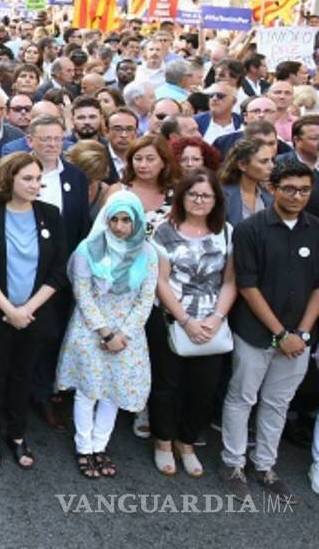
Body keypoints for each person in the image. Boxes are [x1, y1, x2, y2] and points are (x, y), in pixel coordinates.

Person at [220, 159, 319, 503]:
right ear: (272, 188)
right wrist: (280, 333)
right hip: (255, 333)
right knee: (242, 397)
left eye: (305, 189)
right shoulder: (250, 230)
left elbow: (318, 288)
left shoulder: (317, 230)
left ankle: (265, 465)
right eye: (289, 188)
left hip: (299, 339)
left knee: (278, 403)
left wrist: (302, 334)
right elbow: (247, 285)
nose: (297, 196)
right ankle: (233, 463)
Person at [0, 152, 67, 470]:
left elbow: (58, 270)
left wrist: (27, 310)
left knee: (22, 376)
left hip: (34, 316)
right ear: (9, 179)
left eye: (38, 179)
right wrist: (10, 309)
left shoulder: (50, 215)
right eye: (27, 178)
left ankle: (18, 434)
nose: (35, 184)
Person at [56, 191, 159, 479]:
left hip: (129, 331)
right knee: (88, 390)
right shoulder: (87, 249)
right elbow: (83, 294)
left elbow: (146, 297)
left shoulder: (148, 253)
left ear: (137, 221)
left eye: (127, 220)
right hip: (91, 326)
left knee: (113, 390)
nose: (120, 227)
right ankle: (83, 447)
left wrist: (123, 333)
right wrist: (105, 331)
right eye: (114, 219)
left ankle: (100, 446)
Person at [147, 170, 236, 478]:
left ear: (216, 200)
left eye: (206, 195)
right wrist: (185, 320)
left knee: (203, 388)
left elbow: (230, 281)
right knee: (166, 385)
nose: (199, 200)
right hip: (171, 318)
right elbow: (160, 280)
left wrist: (215, 318)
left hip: (212, 321)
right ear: (182, 196)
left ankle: (187, 442)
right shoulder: (163, 231)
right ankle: (163, 441)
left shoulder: (226, 232)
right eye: (193, 194)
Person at [219, 137, 275, 227]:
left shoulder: (270, 198)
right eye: (264, 161)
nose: (272, 166)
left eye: (272, 160)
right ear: (242, 165)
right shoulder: (222, 197)